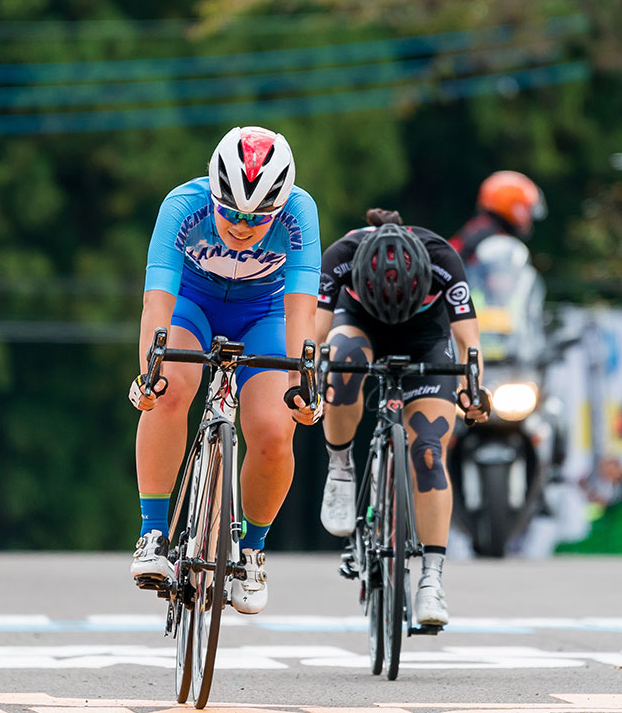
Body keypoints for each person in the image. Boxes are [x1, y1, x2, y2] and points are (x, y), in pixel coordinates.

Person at [126, 126, 322, 614]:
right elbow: (157, 302)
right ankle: (153, 535)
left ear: (279, 210)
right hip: (192, 306)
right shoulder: (181, 206)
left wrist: (304, 381)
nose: (240, 226)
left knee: (274, 431)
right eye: (230, 212)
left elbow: (302, 310)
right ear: (212, 193)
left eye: (257, 220)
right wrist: (149, 371)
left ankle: (251, 550)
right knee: (171, 387)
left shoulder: (301, 213)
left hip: (265, 313)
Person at [316, 208, 490, 628]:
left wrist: (472, 390)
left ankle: (431, 580)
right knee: (340, 364)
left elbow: (468, 341)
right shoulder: (341, 253)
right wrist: (308, 379)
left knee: (429, 451)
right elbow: (314, 335)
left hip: (425, 337)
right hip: (358, 324)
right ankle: (340, 468)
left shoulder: (443, 258)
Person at [450, 171, 546, 265]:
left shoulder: (484, 227)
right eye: (526, 208)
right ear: (511, 204)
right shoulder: (486, 232)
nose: (529, 218)